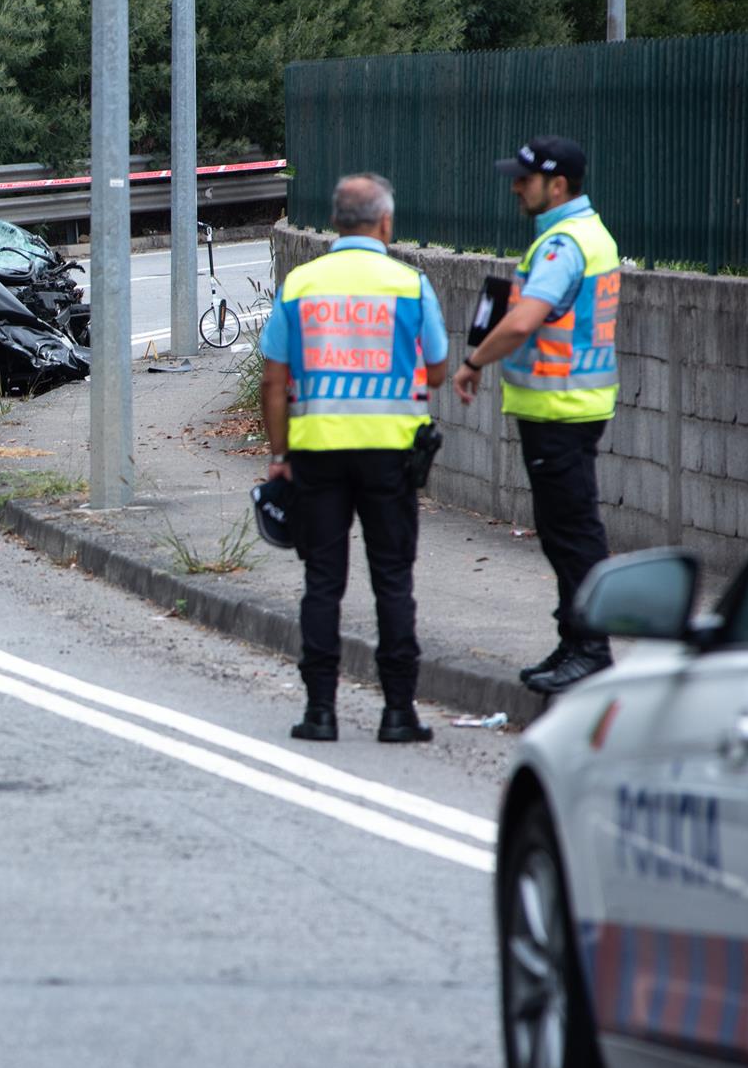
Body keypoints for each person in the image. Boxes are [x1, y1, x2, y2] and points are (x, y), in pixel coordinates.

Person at [260, 173, 449, 743]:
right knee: (392, 580)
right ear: (385, 222)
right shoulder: (411, 285)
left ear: (337, 221)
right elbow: (437, 367)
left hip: (316, 454)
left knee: (323, 582)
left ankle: (320, 712)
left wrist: (279, 454)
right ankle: (398, 713)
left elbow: (274, 379)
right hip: (391, 456)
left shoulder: (301, 284)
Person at [452, 136, 620, 695]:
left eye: (524, 179)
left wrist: (474, 360)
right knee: (563, 529)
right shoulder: (582, 235)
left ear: (558, 184)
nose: (515, 186)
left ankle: (591, 648)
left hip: (559, 408)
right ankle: (576, 640)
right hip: (572, 405)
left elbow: (525, 321)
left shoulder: (563, 245)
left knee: (571, 532)